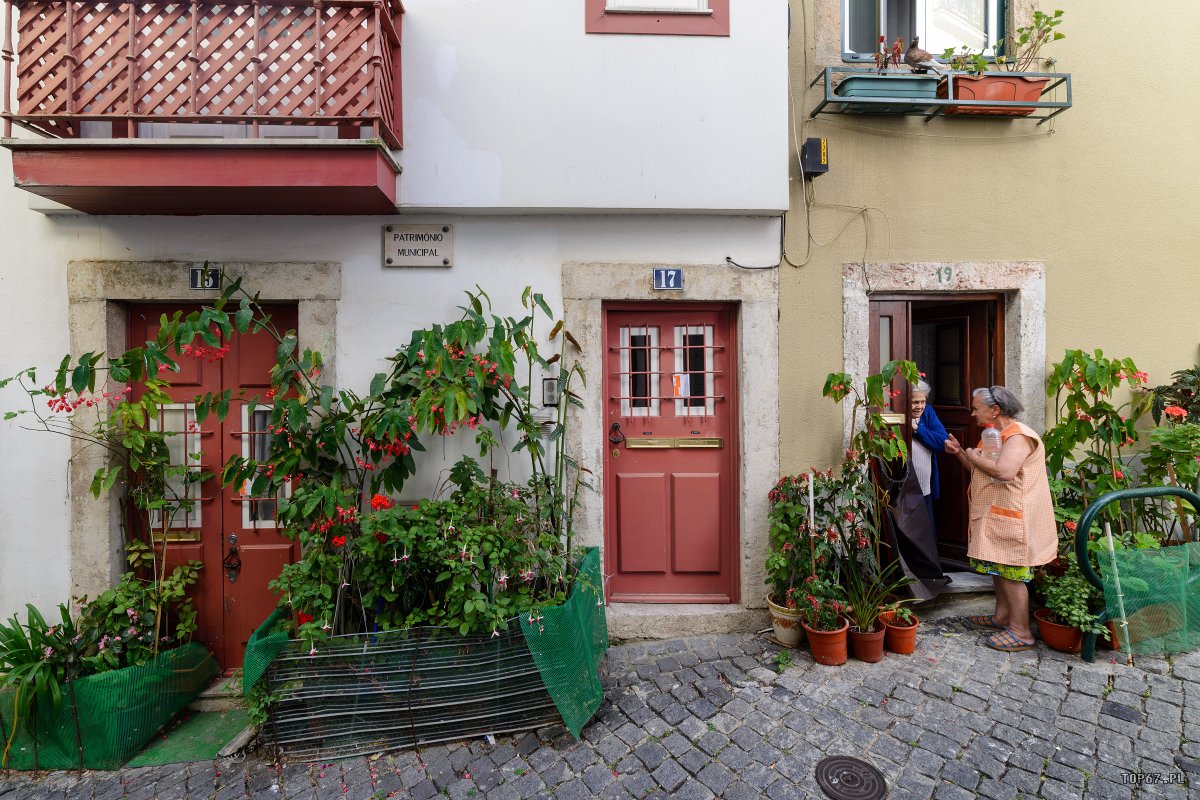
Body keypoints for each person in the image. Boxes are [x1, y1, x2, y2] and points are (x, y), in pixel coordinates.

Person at [944, 386, 1056, 651]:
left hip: (1014, 515)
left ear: (995, 410)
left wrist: (972, 454)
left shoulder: (1018, 437)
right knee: (999, 568)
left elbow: (1004, 472)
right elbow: (982, 469)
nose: (972, 413)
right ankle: (1002, 617)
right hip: (999, 514)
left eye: (975, 408)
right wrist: (962, 452)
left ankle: (1021, 631)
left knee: (1011, 572)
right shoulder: (996, 436)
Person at [910, 380, 947, 534]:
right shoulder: (899, 416)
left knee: (926, 531)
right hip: (905, 485)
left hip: (925, 485)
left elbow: (942, 441)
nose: (919, 406)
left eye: (922, 401)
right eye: (914, 402)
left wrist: (918, 430)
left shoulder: (928, 412)